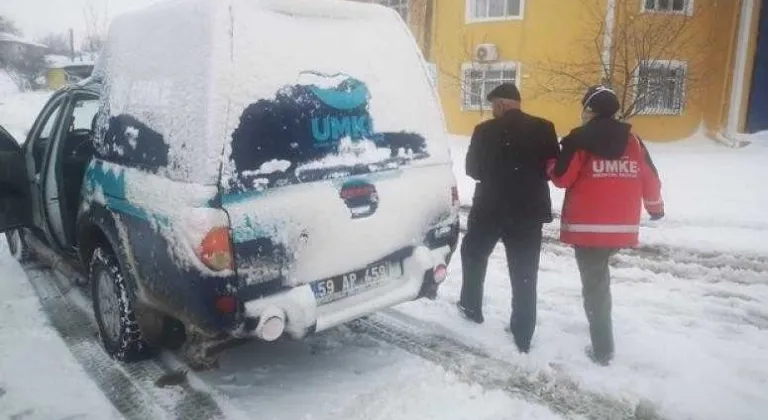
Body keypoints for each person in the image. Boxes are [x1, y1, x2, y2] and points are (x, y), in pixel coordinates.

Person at [546, 85, 664, 365]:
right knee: (599, 280)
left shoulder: (579, 140)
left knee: (596, 288)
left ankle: (603, 350)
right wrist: (655, 208)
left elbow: (562, 179)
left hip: (587, 230)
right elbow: (650, 178)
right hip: (622, 229)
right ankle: (602, 337)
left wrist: (551, 162)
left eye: (584, 108)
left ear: (590, 110)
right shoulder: (634, 141)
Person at [457, 83, 559, 353]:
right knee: (525, 272)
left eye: (494, 106)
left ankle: (471, 307)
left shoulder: (483, 131)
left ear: (501, 105)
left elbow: (472, 170)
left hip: (489, 209)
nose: (492, 110)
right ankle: (523, 332)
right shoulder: (545, 128)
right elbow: (553, 170)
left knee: (473, 254)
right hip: (527, 213)